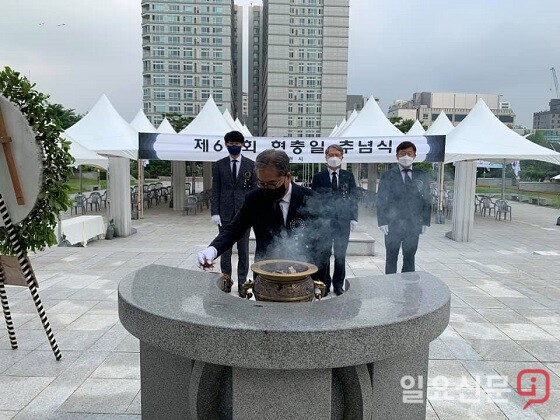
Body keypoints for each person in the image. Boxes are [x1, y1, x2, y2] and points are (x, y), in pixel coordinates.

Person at [198, 149, 321, 289]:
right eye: (262, 183)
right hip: (266, 276)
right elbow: (234, 229)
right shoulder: (254, 199)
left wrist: (318, 280)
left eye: (272, 183)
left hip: (303, 277)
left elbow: (321, 243)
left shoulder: (310, 199)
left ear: (288, 177)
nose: (267, 188)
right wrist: (213, 250)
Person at [376, 141, 432, 274]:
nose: (406, 156)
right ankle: (390, 285)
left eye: (409, 153)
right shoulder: (387, 175)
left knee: (409, 257)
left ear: (414, 155)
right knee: (391, 257)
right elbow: (381, 199)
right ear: (397, 156)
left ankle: (407, 284)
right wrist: (382, 221)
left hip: (413, 223)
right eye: (402, 153)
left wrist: (425, 221)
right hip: (392, 223)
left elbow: (427, 198)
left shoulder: (421, 175)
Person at [210, 131, 256, 292]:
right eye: (230, 143)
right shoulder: (219, 165)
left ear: (242, 145)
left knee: (243, 251)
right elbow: (215, 190)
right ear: (226, 144)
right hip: (225, 214)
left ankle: (243, 283)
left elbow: (254, 189)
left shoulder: (251, 165)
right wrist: (215, 212)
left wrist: (253, 211)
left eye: (237, 144)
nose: (234, 146)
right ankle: (226, 281)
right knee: (225, 250)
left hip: (244, 213)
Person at [311, 144, 358, 296]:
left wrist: (353, 217)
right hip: (324, 222)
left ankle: (338, 285)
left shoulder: (348, 176)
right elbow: (313, 199)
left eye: (337, 155)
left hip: (342, 222)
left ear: (342, 157)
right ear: (326, 157)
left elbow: (353, 198)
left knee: (340, 255)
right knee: (324, 254)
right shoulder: (318, 177)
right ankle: (323, 284)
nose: (334, 158)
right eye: (331, 155)